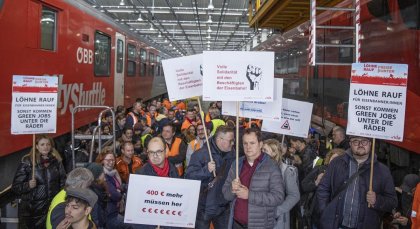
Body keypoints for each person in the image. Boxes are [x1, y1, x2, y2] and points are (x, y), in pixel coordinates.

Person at [316, 136, 398, 229]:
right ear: (350, 144)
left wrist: (377, 200)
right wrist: (325, 211)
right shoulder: (337, 163)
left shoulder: (383, 171)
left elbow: (392, 202)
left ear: (370, 144)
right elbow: (323, 188)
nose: (360, 145)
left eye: (364, 141)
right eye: (356, 141)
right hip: (335, 225)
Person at [223, 128, 285, 229]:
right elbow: (226, 194)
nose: (248, 147)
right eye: (245, 143)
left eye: (252, 143)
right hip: (236, 223)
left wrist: (249, 195)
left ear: (260, 144)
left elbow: (278, 197)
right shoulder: (237, 164)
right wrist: (231, 189)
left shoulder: (271, 166)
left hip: (260, 225)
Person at [185, 125, 236, 228]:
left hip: (223, 206)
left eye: (233, 140)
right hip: (203, 207)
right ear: (219, 140)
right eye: (230, 140)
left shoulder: (233, 155)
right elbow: (189, 177)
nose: (233, 143)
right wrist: (206, 170)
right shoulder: (200, 154)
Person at [12, 134, 66, 229]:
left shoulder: (56, 161)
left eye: (48, 144)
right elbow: (16, 187)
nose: (45, 147)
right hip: (33, 211)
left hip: (52, 208)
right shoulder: (28, 162)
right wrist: (28, 185)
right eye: (42, 144)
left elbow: (63, 183)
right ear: (36, 146)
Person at [300, 148, 345, 229]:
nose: (335, 162)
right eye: (333, 159)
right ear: (329, 158)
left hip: (335, 216)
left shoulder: (345, 174)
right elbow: (304, 185)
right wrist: (316, 182)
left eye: (338, 159)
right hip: (316, 213)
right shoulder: (319, 169)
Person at [263, 139, 300, 229]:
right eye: (261, 150)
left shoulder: (286, 171)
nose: (261, 153)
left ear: (274, 153)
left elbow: (294, 195)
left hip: (277, 220)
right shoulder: (259, 167)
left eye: (265, 150)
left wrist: (277, 211)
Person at [96, 148, 130, 228]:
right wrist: (121, 189)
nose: (111, 162)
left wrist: (120, 189)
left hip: (116, 209)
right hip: (109, 215)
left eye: (113, 160)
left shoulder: (114, 172)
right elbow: (116, 195)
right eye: (108, 160)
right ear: (102, 161)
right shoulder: (102, 175)